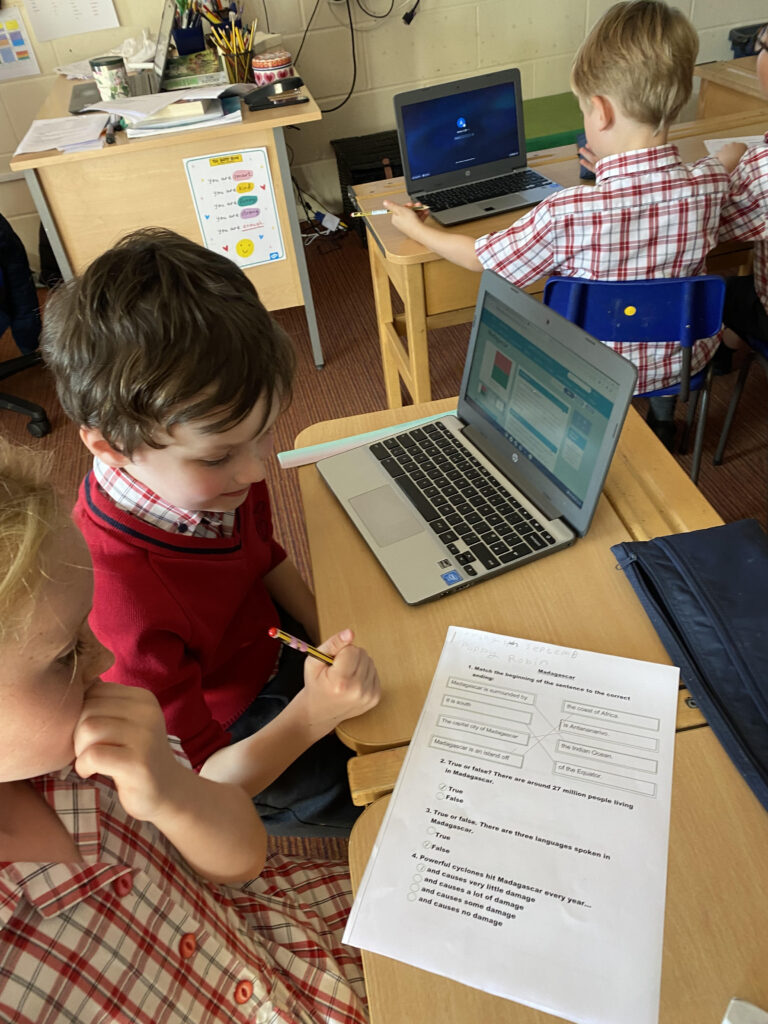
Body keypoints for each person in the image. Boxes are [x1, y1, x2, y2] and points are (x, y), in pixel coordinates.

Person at [0, 437, 367, 1023]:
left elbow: (244, 858)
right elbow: (220, 767)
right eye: (66, 653)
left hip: (287, 940)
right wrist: (314, 713)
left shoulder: (87, 735)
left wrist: (174, 794)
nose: (102, 662)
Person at [41, 227, 380, 836]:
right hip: (235, 733)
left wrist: (324, 623)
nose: (254, 471)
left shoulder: (218, 471)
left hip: (273, 647)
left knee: (397, 706)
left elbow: (265, 556)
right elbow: (195, 788)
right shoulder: (120, 600)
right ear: (110, 446)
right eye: (219, 456)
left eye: (264, 435)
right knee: (383, 797)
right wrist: (312, 716)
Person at [383, 0, 730, 447]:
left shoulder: (567, 212)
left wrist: (416, 230)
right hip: (682, 363)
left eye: (583, 110)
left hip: (588, 374)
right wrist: (723, 158)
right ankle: (663, 415)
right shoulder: (709, 185)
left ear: (600, 113)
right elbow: (722, 164)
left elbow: (477, 258)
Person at [715, 23, 768, 363]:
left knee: (707, 291)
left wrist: (719, 168)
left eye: (761, 48)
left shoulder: (762, 170)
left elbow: (703, 222)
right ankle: (730, 345)